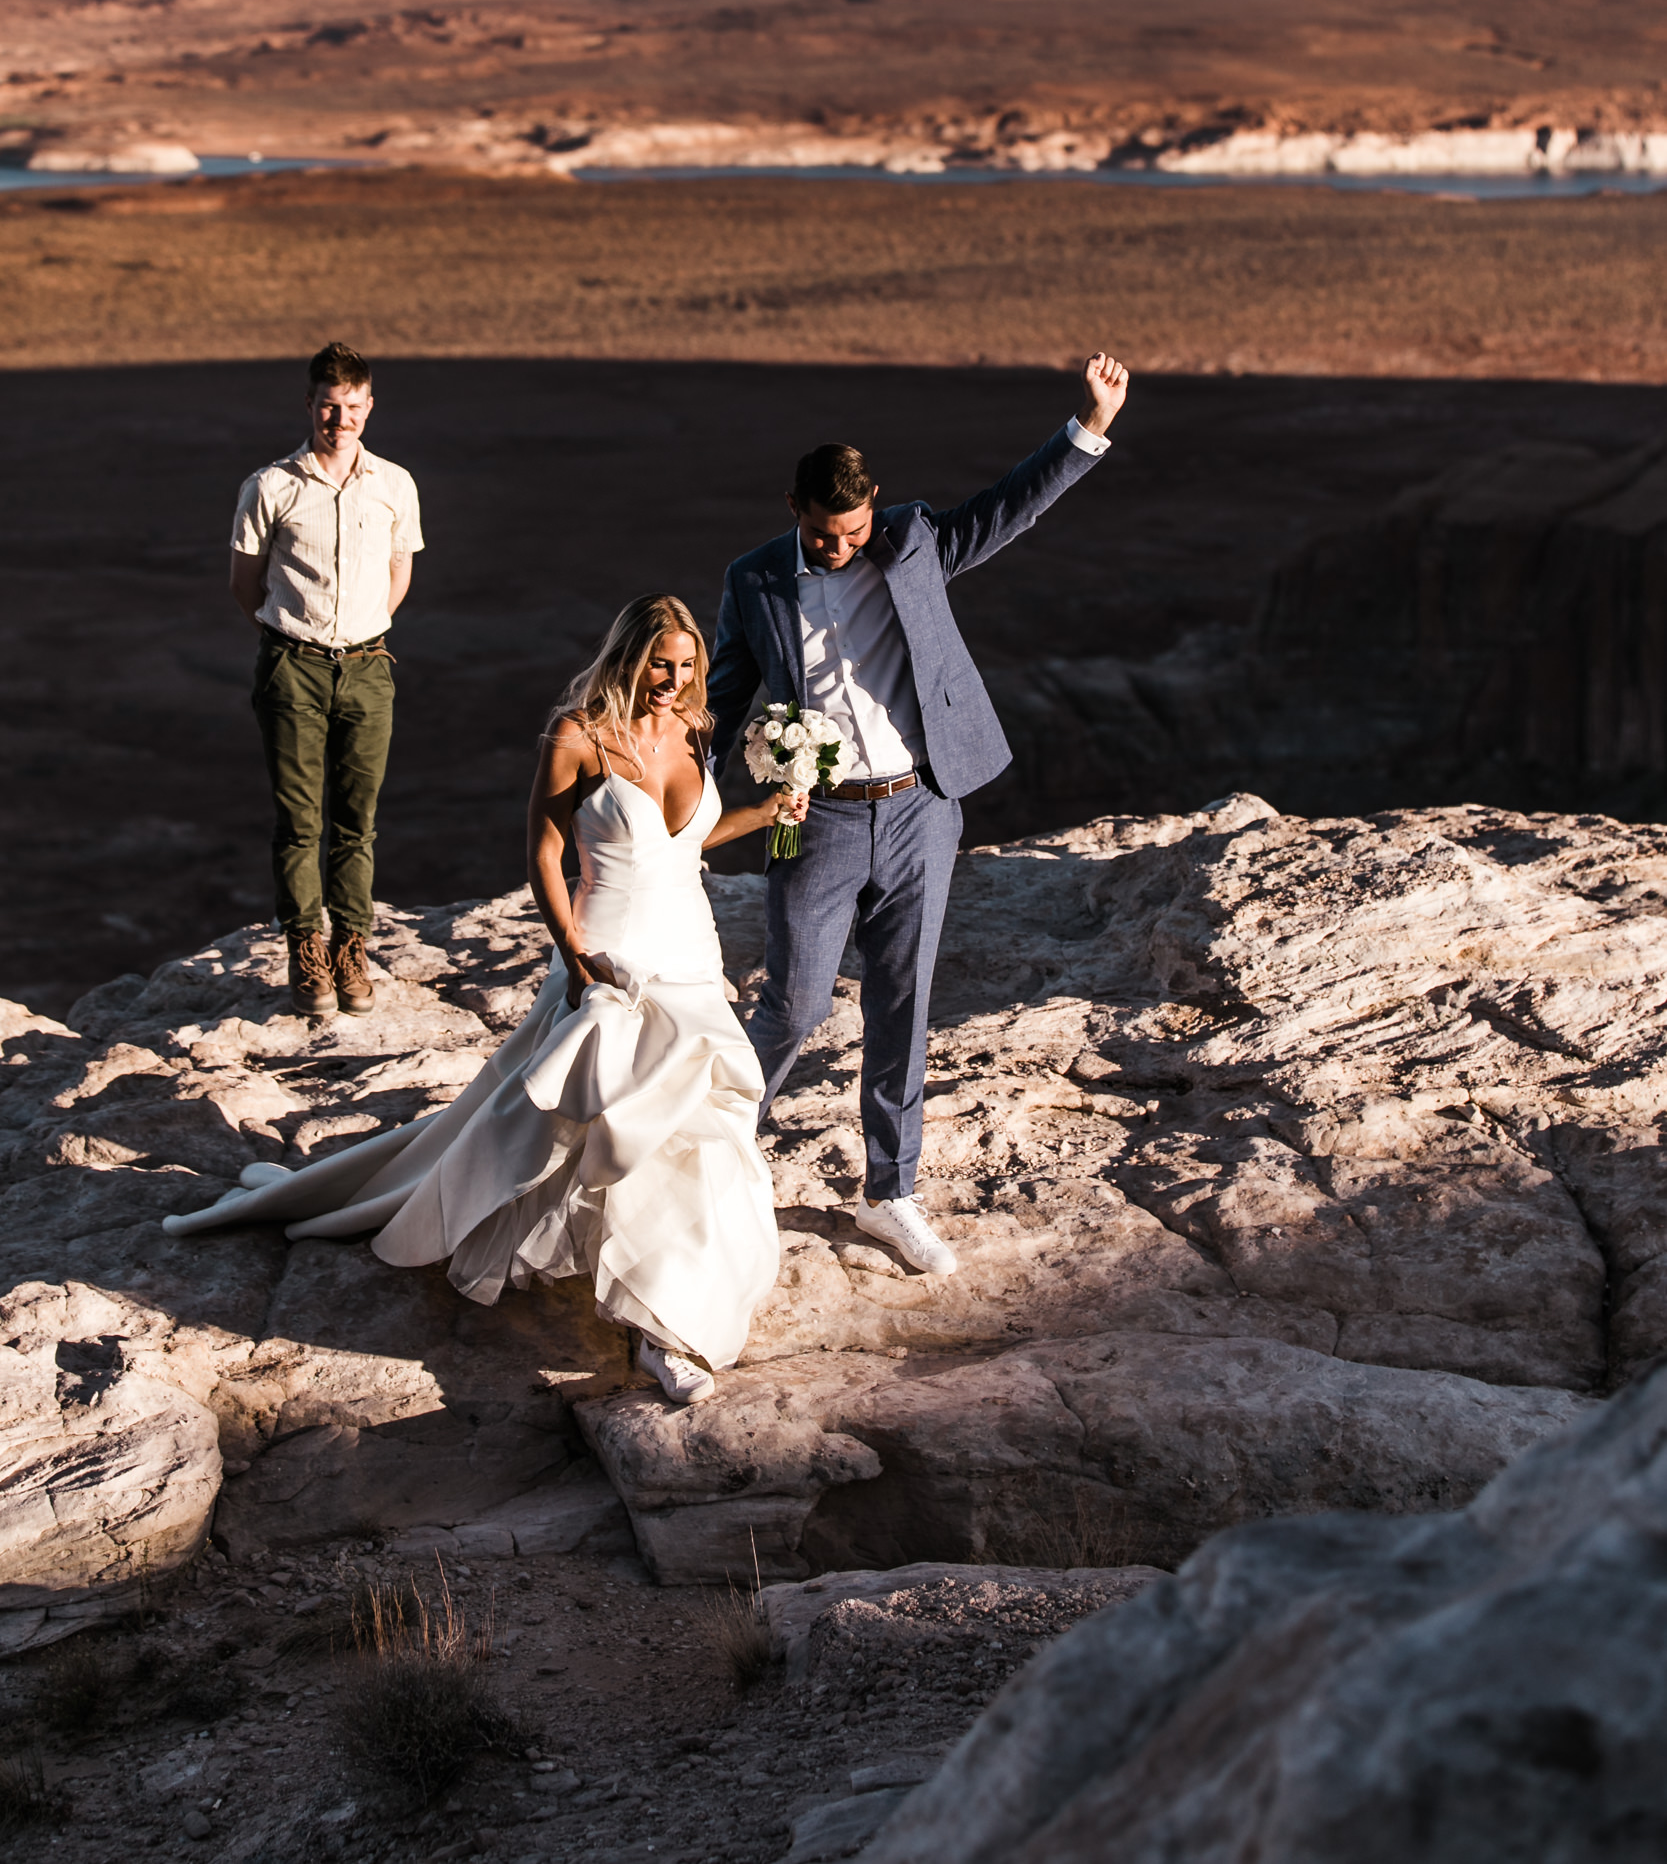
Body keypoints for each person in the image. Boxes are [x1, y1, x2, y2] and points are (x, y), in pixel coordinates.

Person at [164, 595, 803, 1407]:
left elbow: (685, 841)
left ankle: (670, 1305)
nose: (671, 682)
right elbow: (543, 846)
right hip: (612, 951)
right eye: (658, 665)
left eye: (685, 667)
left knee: (695, 1128)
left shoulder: (695, 728)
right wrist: (571, 951)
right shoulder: (577, 734)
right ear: (627, 658)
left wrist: (762, 812)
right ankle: (657, 1333)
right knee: (615, 1120)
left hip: (691, 951)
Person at [706, 351, 1131, 1278]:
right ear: (794, 511)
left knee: (902, 1003)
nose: (840, 546)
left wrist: (1086, 427)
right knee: (794, 1004)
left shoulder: (909, 540)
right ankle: (702, 1157)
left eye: (852, 529)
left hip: (918, 808)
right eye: (824, 533)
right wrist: (671, 803)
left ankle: (890, 1192)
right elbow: (719, 695)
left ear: (874, 509)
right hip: (808, 819)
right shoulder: (754, 581)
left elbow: (1005, 507)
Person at [229, 342, 423, 1021]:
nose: (338, 420)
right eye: (327, 406)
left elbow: (400, 569)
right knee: (298, 818)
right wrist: (293, 638)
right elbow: (244, 583)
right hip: (293, 666)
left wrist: (364, 627)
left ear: (369, 408)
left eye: (351, 407)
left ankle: (352, 947)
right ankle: (305, 950)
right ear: (308, 405)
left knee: (357, 820)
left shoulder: (394, 485)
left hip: (368, 668)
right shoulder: (270, 487)